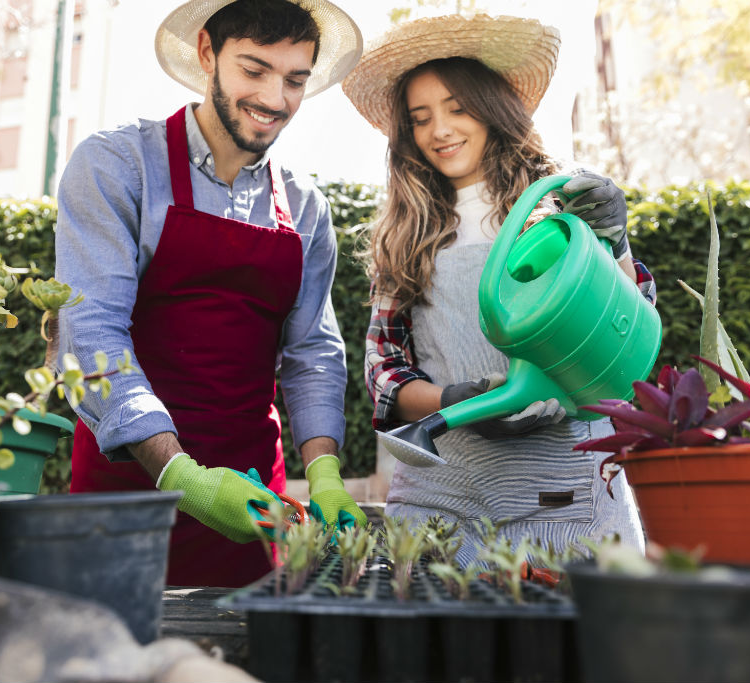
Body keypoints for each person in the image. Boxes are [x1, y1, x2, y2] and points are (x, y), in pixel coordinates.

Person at [54, 0, 367, 588]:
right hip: (126, 497)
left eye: (295, 79)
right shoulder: (118, 166)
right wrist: (183, 477)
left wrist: (324, 471)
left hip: (252, 507)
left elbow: (312, 354)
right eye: (254, 70)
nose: (276, 99)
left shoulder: (305, 208)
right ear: (207, 54)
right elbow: (90, 334)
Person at [341, 14, 655, 565]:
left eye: (457, 108)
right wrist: (454, 401)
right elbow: (384, 371)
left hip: (564, 491)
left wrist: (613, 240)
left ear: (492, 108)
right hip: (447, 497)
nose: (440, 130)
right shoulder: (403, 234)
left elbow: (626, 332)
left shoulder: (559, 209)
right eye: (421, 118)